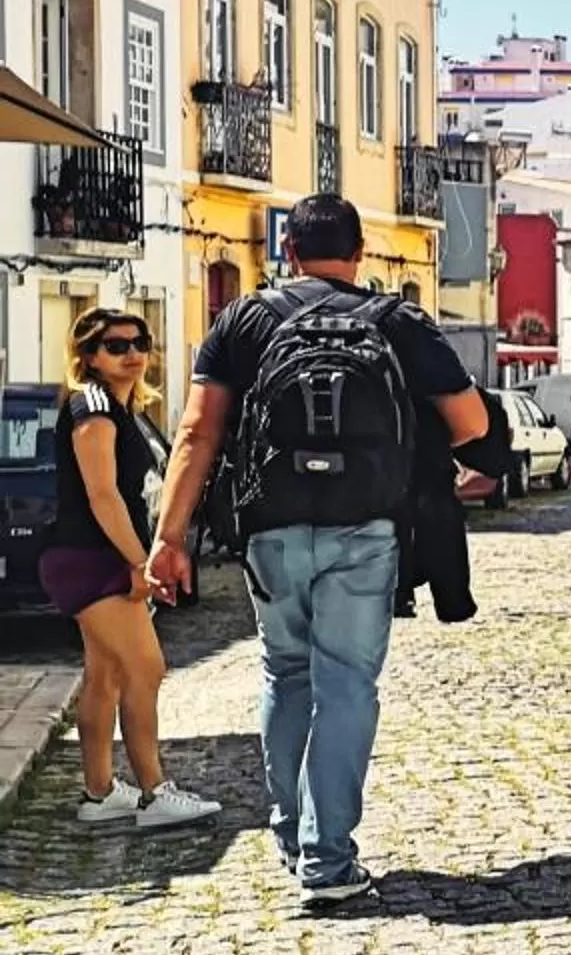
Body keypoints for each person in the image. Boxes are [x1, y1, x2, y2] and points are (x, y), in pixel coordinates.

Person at [146, 196, 486, 905]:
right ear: (359, 253)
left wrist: (168, 539)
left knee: (285, 674)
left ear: (288, 252)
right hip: (365, 527)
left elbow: (197, 433)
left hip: (269, 526)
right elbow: (471, 421)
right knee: (346, 685)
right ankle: (327, 861)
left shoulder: (244, 321)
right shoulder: (396, 321)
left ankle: (289, 833)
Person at [46, 310, 216, 830]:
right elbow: (102, 495)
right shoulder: (92, 404)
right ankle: (153, 792)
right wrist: (138, 564)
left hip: (99, 558)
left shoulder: (129, 412)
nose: (133, 353)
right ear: (88, 356)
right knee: (147, 667)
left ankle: (99, 793)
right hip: (91, 558)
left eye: (140, 341)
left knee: (107, 675)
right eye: (116, 345)